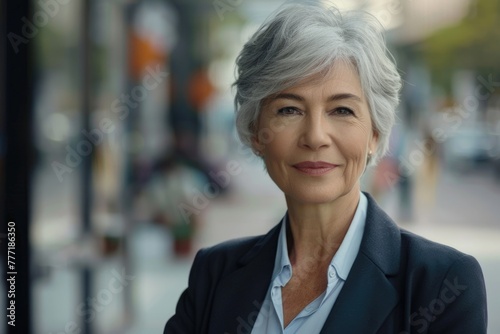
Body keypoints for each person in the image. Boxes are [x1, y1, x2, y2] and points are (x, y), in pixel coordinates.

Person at [164, 3, 487, 333]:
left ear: (374, 134)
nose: (315, 137)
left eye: (342, 110)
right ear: (254, 133)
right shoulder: (214, 274)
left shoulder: (441, 284)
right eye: (289, 110)